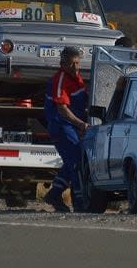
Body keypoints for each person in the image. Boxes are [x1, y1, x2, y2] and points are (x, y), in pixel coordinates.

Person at [43, 46, 89, 212]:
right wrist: (81, 124)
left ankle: (54, 193)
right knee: (76, 162)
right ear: (62, 63)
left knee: (73, 161)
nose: (75, 67)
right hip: (61, 126)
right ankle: (78, 201)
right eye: (71, 63)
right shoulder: (60, 79)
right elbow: (62, 108)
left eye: (77, 63)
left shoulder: (78, 78)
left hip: (72, 126)